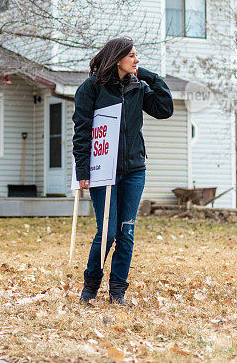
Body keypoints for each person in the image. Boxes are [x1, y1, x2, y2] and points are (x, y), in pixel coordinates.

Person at [72, 37, 174, 305]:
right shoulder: (91, 89)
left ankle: (117, 292)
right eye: (132, 56)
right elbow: (81, 132)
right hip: (103, 170)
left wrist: (150, 76)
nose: (136, 60)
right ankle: (90, 287)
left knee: (126, 231)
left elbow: (165, 110)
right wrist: (82, 169)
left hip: (134, 169)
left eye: (136, 56)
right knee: (107, 231)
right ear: (118, 58)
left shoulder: (137, 86)